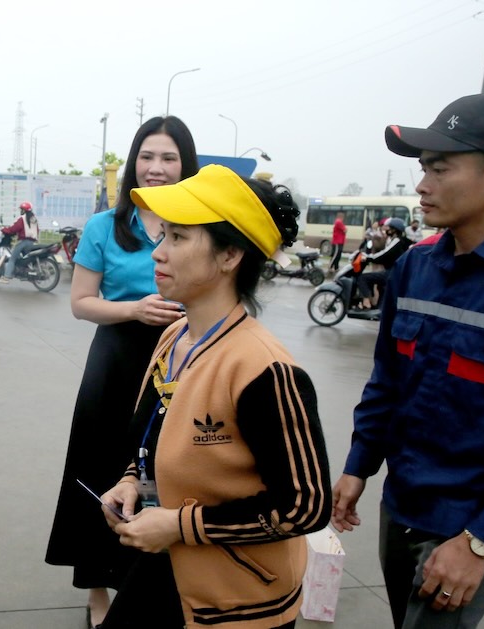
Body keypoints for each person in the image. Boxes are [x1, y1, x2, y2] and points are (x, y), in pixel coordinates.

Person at [331, 93, 484, 629]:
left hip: (468, 526)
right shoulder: (415, 267)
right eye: (422, 168)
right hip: (399, 505)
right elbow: (388, 380)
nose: (421, 185)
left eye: (439, 169)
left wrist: (483, 541)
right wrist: (359, 466)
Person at [98, 165, 331, 628]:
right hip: (168, 565)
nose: (158, 253)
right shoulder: (174, 337)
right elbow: (154, 436)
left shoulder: (265, 369)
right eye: (162, 235)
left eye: (179, 239)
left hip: (237, 600)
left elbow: (305, 505)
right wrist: (130, 481)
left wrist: (179, 526)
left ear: (229, 255)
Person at [45, 115, 197, 628]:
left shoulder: (200, 223)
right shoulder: (104, 226)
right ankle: (95, 589)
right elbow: (81, 303)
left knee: (164, 472)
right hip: (115, 361)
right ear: (133, 163)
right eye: (147, 157)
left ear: (186, 165)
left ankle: (149, 580)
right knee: (100, 468)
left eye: (169, 157)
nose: (156, 168)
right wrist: (134, 309)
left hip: (181, 360)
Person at [355, 217, 411, 310]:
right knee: (380, 286)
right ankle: (377, 307)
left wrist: (368, 258)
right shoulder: (396, 240)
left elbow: (384, 254)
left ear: (394, 229)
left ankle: (366, 303)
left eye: (389, 228)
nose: (387, 229)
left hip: (392, 272)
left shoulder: (397, 240)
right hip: (393, 271)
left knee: (363, 278)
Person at [0, 201, 39, 283]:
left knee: (12, 258)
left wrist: (4, 229)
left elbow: (14, 229)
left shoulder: (22, 218)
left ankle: (6, 277)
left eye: (21, 209)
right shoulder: (34, 219)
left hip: (23, 242)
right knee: (23, 257)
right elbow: (36, 230)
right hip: (32, 243)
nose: (21, 211)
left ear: (23, 210)